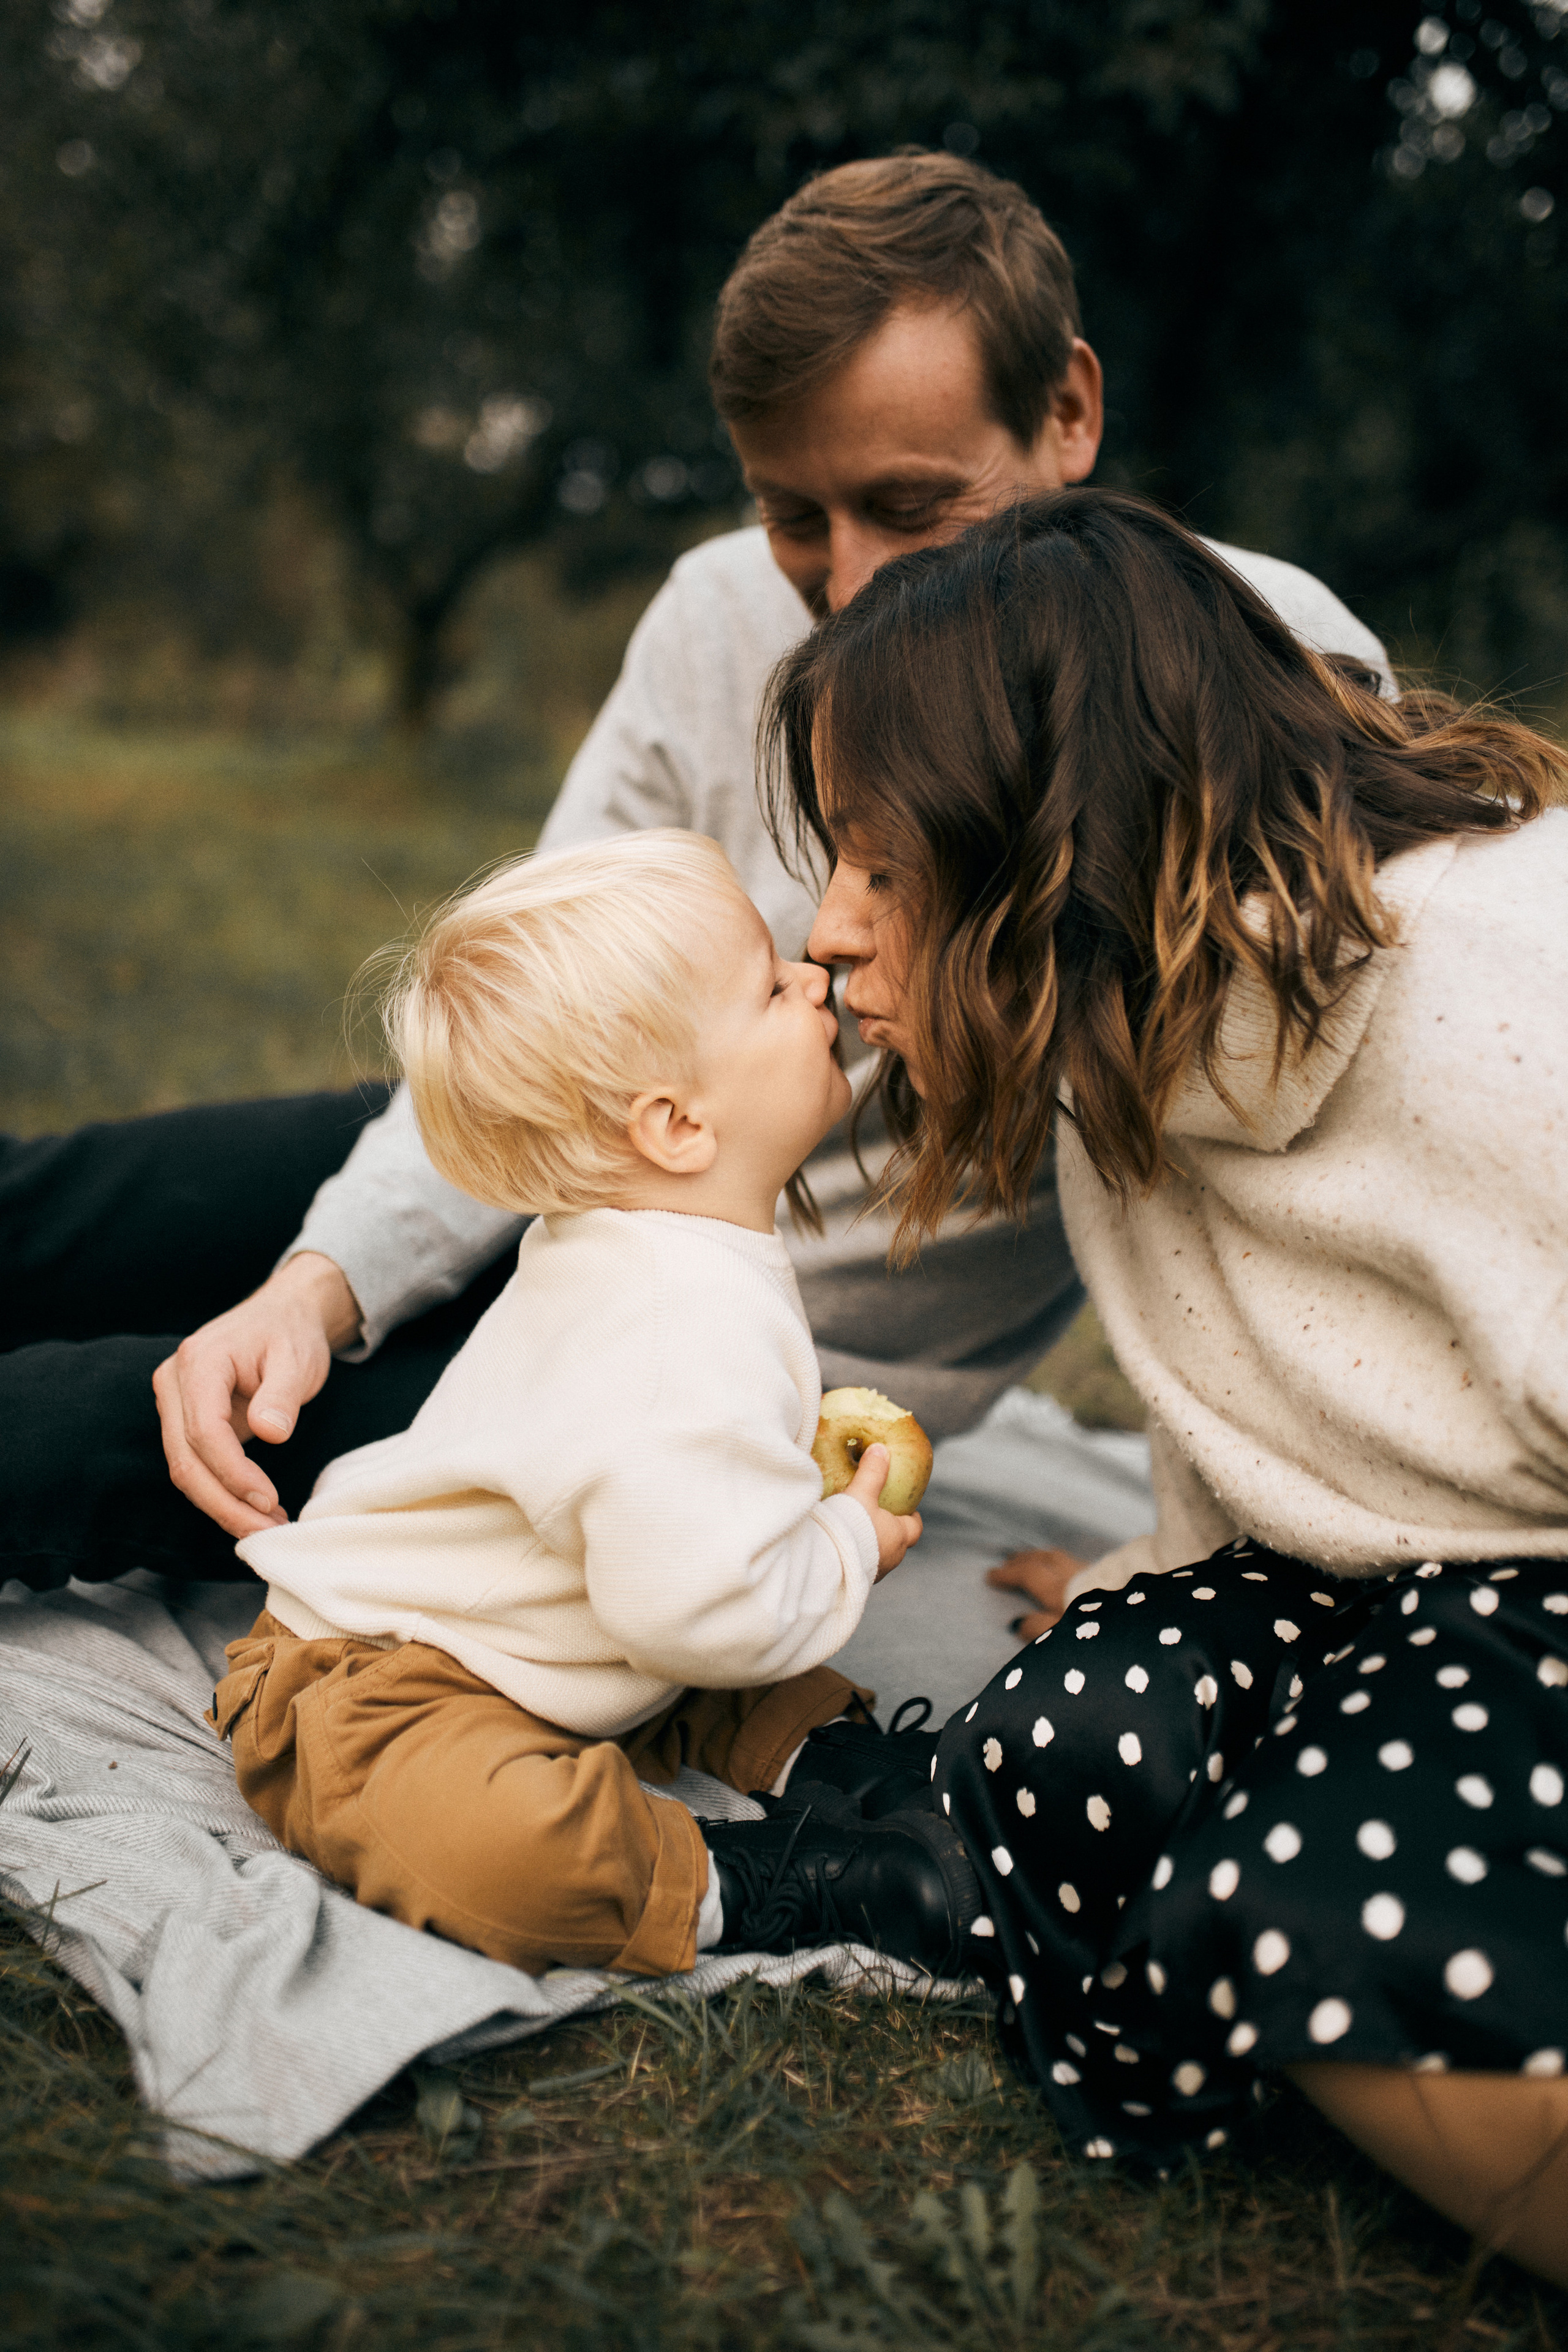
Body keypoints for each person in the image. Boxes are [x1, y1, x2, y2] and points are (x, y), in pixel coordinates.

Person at [1, 150, 1392, 1592]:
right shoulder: (714, 615)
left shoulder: (1247, 679)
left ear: (1066, 414)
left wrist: (1171, 1577)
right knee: (68, 1208)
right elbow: (547, 1011)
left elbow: (1283, 1198)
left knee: (94, 1428)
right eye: (793, 515)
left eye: (911, 505)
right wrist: (322, 1282)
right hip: (562, 1143)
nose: (850, 585)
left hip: (714, 1347)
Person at [763, 486, 1568, 2283]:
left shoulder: (1513, 1005)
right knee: (1052, 1747)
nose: (826, 931)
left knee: (1312, 1895)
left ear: (1054, 846)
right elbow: (1247, 1383)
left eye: (881, 867)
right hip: (1395, 1583)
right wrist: (1164, 1581)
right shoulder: (1119, 1050)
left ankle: (1312, 1958)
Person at [209, 829, 983, 1979]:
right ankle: (749, 1879)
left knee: (722, 1641)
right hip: (373, 1683)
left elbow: (687, 1532)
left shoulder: (661, 1250)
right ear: (677, 1125)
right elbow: (695, 1607)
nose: (813, 977)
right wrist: (844, 1545)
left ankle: (834, 1762)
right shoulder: (674, 1323)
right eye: (771, 988)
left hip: (583, 1627)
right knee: (495, 1842)